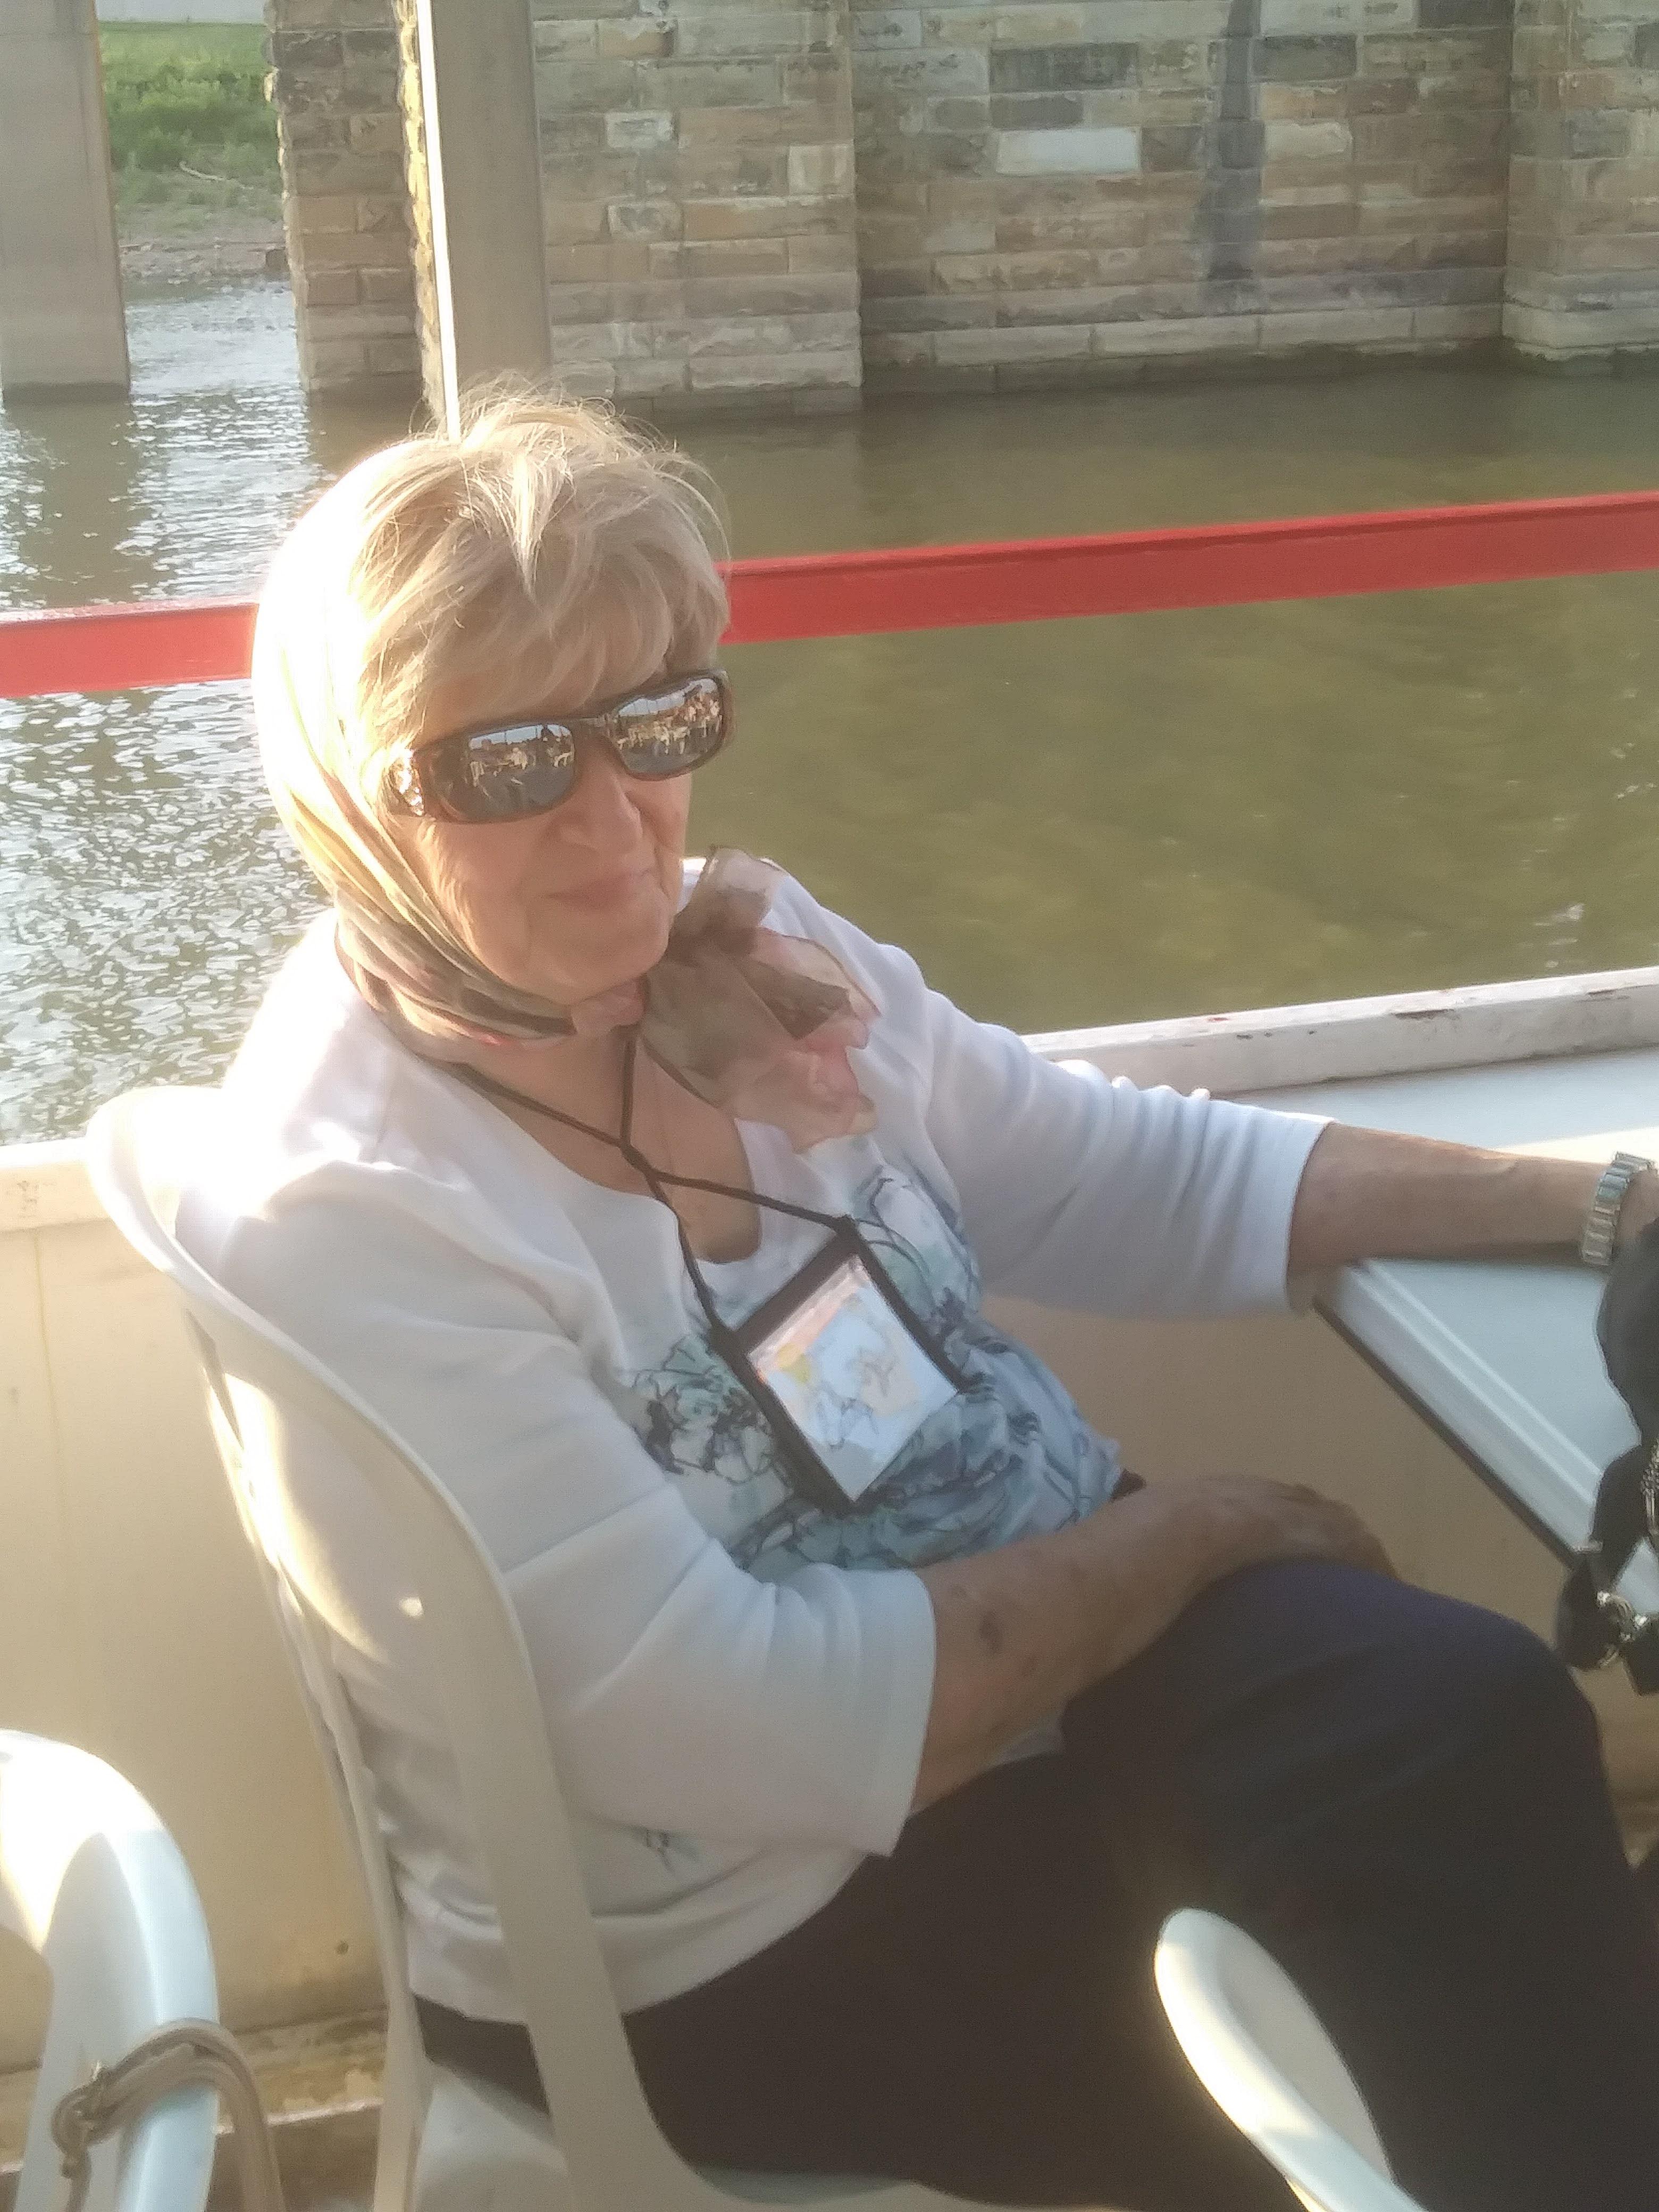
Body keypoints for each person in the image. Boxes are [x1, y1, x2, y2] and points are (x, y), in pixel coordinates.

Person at [181, 390, 1659, 2212]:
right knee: (1386, 2000)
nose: (618, 819)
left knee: (1480, 1724)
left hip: (1050, 1682)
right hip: (742, 1933)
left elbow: (1123, 1172)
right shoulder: (352, 1215)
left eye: (658, 721)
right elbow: (741, 1723)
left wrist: (1602, 1204)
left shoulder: (740, 966)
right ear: (351, 795)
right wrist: (1197, 1531)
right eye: (510, 764)